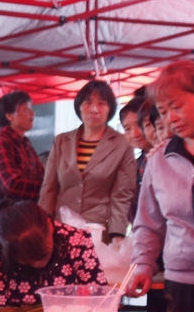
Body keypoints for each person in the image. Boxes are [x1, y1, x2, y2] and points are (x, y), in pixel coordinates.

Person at [130, 61, 194, 312]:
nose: (171, 118)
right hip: (178, 281)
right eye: (163, 112)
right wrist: (143, 265)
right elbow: (148, 224)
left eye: (177, 106)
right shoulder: (159, 160)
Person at [38, 81, 137, 243]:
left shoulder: (122, 145)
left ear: (110, 108)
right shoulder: (61, 141)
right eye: (88, 103)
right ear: (79, 107)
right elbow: (49, 188)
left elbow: (121, 195)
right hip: (60, 229)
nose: (94, 109)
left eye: (101, 103)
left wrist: (117, 234)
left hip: (98, 232)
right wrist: (43, 225)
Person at [0, 201, 107, 309]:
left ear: (50, 226)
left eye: (43, 256)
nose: (38, 265)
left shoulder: (76, 240)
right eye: (27, 260)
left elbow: (101, 300)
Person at [0, 90, 46, 201]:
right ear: (9, 116)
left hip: (27, 210)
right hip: (9, 214)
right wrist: (49, 186)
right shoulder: (2, 142)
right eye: (26, 109)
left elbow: (42, 175)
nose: (33, 113)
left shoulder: (25, 144)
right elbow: (12, 185)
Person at [120, 96, 149, 223]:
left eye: (139, 125)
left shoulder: (169, 159)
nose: (135, 134)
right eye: (127, 129)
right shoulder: (138, 164)